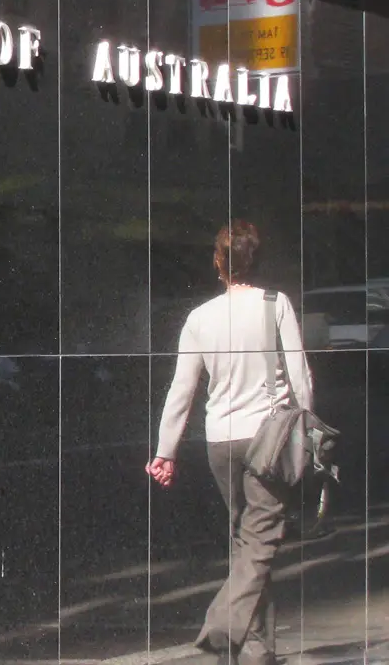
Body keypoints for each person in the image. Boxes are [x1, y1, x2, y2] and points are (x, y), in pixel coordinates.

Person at [146, 220, 313, 665]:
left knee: (246, 544)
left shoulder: (199, 318)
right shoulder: (275, 305)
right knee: (259, 545)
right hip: (268, 439)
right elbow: (299, 378)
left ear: (218, 263)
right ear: (254, 260)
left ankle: (255, 651)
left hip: (220, 441)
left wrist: (165, 451)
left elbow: (181, 390)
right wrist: (308, 430)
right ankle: (221, 626)